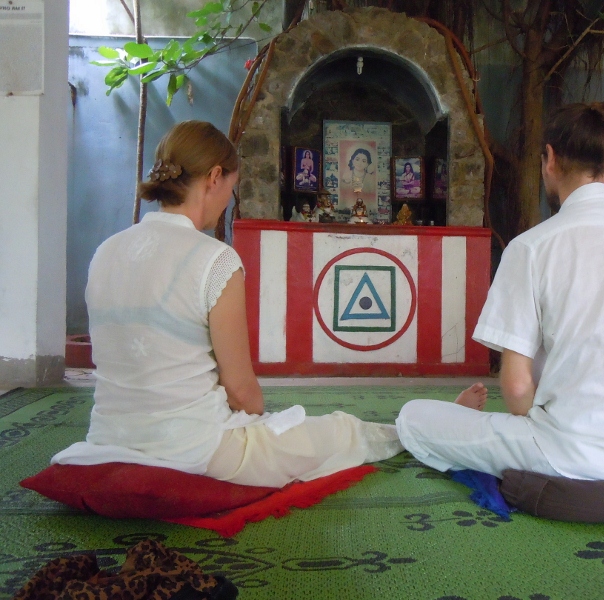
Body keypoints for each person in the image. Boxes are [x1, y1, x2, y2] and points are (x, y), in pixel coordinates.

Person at [51, 120, 404, 488]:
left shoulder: (105, 252)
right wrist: (260, 422)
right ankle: (405, 433)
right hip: (197, 450)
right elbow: (240, 390)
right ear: (214, 177)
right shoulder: (215, 259)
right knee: (340, 431)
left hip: (108, 440)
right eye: (231, 189)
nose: (228, 203)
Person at [396, 101, 604, 483]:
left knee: (414, 416)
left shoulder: (532, 246)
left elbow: (517, 389)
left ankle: (467, 422)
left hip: (571, 453)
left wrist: (554, 421)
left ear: (550, 159)